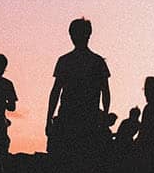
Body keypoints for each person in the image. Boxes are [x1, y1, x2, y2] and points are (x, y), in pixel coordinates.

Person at [47, 18, 112, 156]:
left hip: (83, 120)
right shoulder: (96, 62)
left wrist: (48, 119)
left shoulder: (67, 61)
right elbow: (56, 91)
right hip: (75, 119)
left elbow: (56, 92)